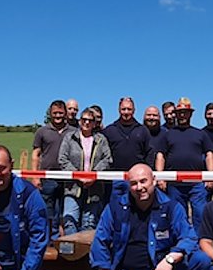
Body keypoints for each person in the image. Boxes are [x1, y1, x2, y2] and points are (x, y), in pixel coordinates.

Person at [89, 164, 210, 270]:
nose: (139, 187)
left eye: (143, 181)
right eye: (134, 183)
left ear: (154, 180)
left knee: (200, 259)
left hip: (164, 268)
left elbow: (189, 237)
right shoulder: (115, 208)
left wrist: (170, 259)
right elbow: (99, 242)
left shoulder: (171, 207)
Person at [155, 98, 213, 235]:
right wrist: (160, 177)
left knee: (200, 214)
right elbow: (161, 156)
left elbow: (209, 154)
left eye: (185, 112)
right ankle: (181, 240)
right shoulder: (167, 134)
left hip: (197, 184)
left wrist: (211, 176)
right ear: (176, 114)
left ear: (190, 114)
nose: (182, 115)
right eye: (180, 112)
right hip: (175, 184)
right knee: (178, 214)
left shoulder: (200, 134)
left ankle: (200, 242)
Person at [58, 108, 112, 236]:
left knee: (89, 223)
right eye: (84, 119)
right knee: (69, 220)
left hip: (94, 189)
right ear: (79, 121)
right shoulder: (69, 138)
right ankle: (72, 252)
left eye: (90, 120)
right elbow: (62, 159)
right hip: (73, 188)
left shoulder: (101, 140)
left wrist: (93, 175)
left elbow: (107, 159)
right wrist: (78, 176)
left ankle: (86, 254)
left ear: (94, 123)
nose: (86, 122)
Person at [32, 99, 75, 238]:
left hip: (68, 178)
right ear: (50, 113)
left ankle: (62, 240)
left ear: (65, 114)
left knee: (64, 211)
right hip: (48, 177)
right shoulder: (42, 131)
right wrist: (35, 175)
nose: (58, 116)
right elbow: (36, 154)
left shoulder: (74, 131)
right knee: (48, 211)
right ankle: (48, 239)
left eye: (60, 113)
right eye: (55, 113)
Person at [103, 97, 152, 198]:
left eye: (129, 109)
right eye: (123, 109)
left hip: (136, 180)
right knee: (115, 209)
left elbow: (149, 153)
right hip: (114, 179)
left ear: (134, 110)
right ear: (119, 110)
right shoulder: (109, 130)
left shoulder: (143, 130)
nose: (126, 112)